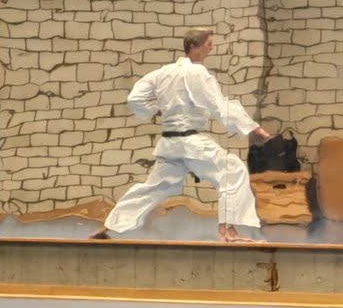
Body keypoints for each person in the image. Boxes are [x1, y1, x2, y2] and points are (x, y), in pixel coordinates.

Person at [90, 28, 268, 244]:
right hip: (190, 142)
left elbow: (135, 98)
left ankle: (109, 226)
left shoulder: (160, 74)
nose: (211, 47)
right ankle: (227, 232)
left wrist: (154, 109)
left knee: (153, 188)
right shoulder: (197, 73)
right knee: (233, 171)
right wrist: (252, 129)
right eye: (208, 43)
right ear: (193, 46)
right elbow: (219, 104)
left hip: (170, 144)